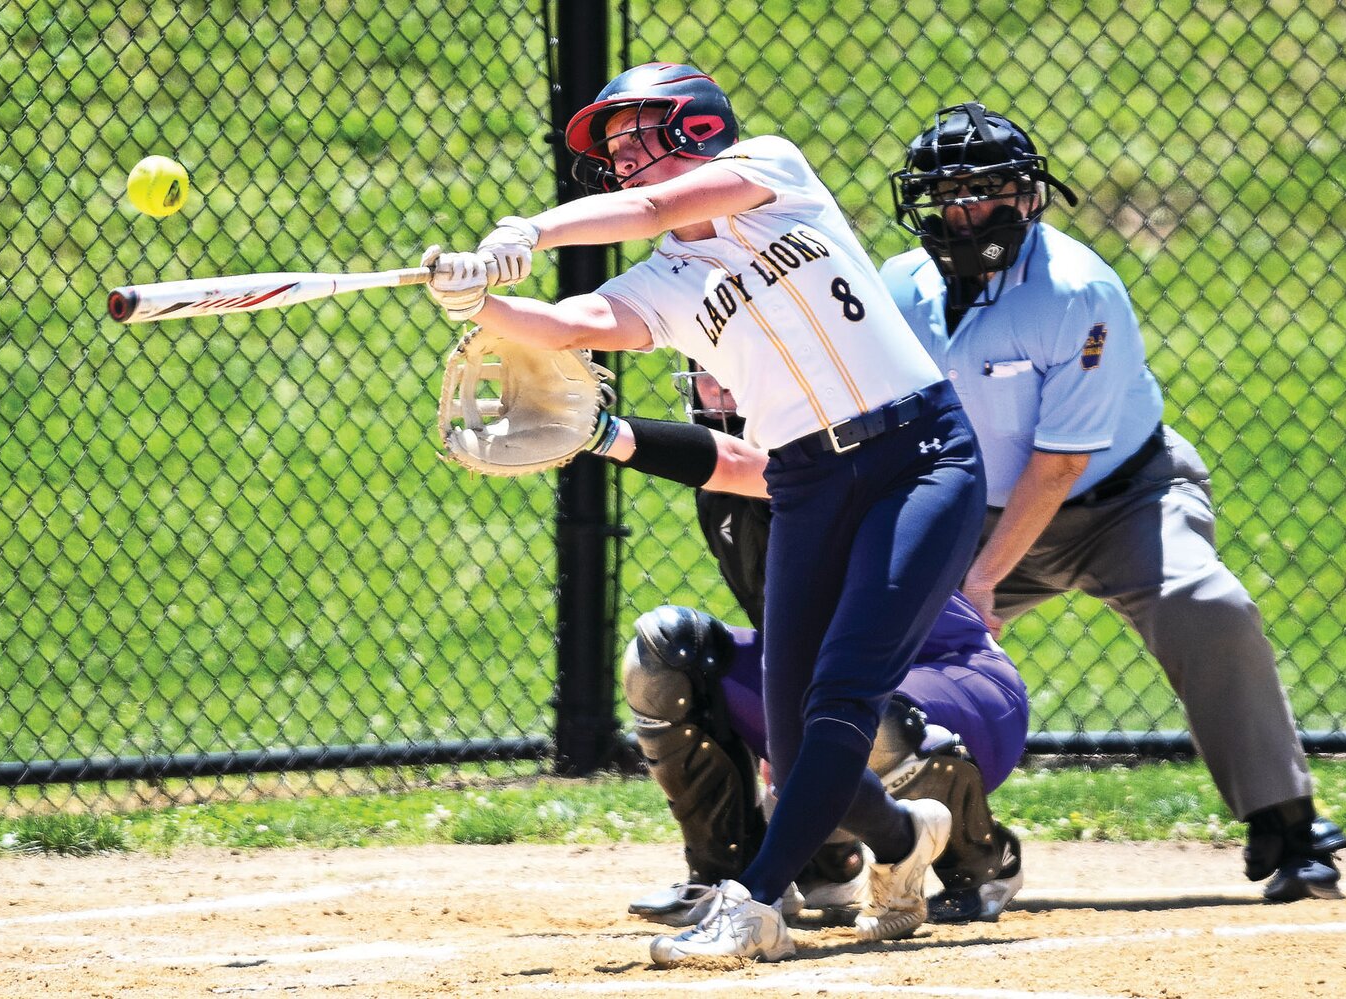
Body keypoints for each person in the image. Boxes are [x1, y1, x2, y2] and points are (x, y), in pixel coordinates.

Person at [419, 63, 989, 965]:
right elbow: (570, 322)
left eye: (639, 133)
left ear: (698, 128)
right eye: (613, 147)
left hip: (918, 455)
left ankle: (754, 901)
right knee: (803, 745)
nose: (623, 157)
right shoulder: (669, 282)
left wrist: (526, 229)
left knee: (843, 689)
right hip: (807, 481)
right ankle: (901, 840)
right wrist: (477, 301)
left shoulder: (773, 172)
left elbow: (648, 212)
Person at [878, 102, 1346, 902]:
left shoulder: (1076, 289)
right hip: (977, 511)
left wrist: (983, 579)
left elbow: (1062, 462)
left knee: (1207, 602)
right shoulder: (900, 285)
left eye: (984, 190)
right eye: (945, 192)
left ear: (1027, 197)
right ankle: (916, 839)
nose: (962, 211)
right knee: (880, 638)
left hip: (1126, 499)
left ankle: (1288, 820)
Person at [593, 368, 1028, 927]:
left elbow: (751, 468)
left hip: (956, 682)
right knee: (665, 654)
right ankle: (753, 871)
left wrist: (601, 432)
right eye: (706, 373)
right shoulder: (719, 501)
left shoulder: (833, 455)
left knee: (853, 712)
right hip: (838, 688)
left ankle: (978, 858)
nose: (722, 385)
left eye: (736, 367)